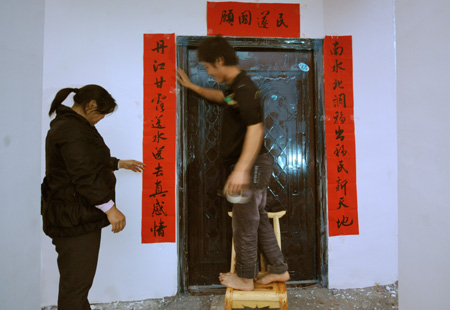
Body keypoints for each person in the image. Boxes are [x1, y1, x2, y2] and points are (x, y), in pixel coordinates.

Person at [177, 35, 289, 291]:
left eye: (207, 67)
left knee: (244, 224)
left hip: (251, 166)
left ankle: (246, 279)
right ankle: (279, 270)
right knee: (257, 220)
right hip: (253, 166)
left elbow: (256, 129)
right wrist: (193, 88)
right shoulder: (236, 89)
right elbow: (221, 99)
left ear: (219, 60)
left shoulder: (245, 88)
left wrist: (241, 170)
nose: (207, 71)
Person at [41, 84, 145, 309]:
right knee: (75, 290)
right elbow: (83, 174)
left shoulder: (72, 125)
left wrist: (117, 163)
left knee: (77, 287)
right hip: (73, 218)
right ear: (90, 105)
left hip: (73, 215)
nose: (101, 119)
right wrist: (110, 208)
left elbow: (85, 159)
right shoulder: (72, 130)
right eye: (101, 113)